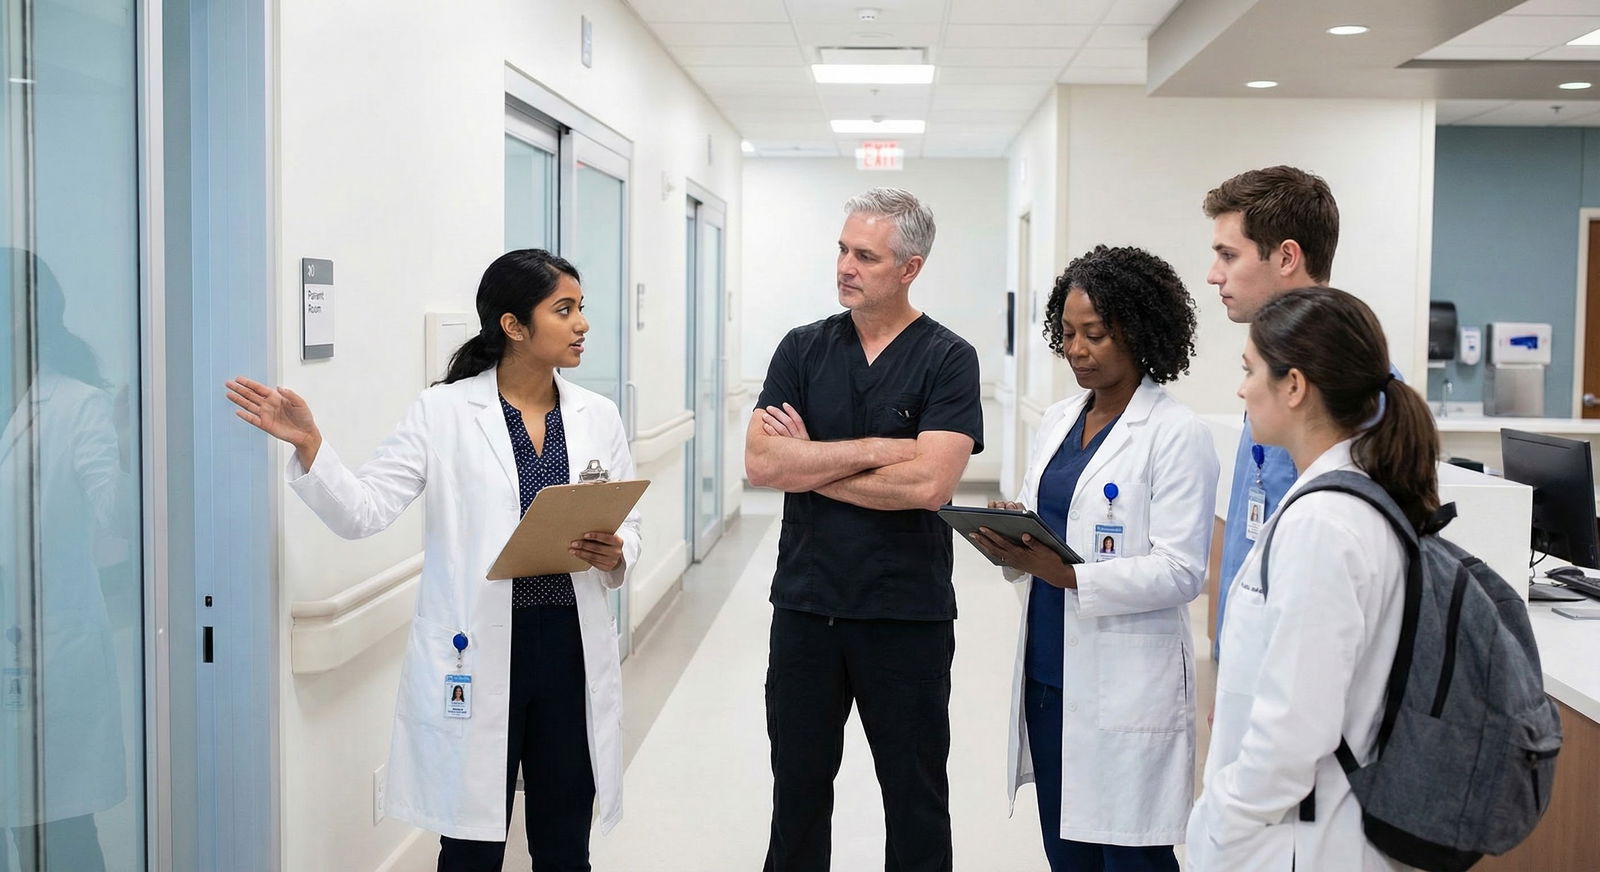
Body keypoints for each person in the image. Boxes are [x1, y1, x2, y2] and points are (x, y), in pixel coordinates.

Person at [225, 249, 639, 872]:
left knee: (563, 839)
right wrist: (313, 446)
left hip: (569, 647)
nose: (582, 324)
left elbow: (626, 521)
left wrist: (617, 549)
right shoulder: (442, 412)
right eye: (565, 309)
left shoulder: (596, 416)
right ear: (513, 325)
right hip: (478, 648)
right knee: (470, 845)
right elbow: (361, 511)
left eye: (582, 309)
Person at [746, 187, 983, 872]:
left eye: (866, 256)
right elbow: (762, 463)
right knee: (796, 795)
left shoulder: (947, 358)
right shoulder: (803, 348)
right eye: (843, 250)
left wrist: (811, 459)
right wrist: (881, 446)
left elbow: (929, 485)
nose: (846, 266)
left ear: (909, 268)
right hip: (806, 607)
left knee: (914, 801)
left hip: (905, 615)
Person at [968, 245, 1218, 872]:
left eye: (1095, 334)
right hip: (1050, 673)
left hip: (1128, 680)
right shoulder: (1057, 420)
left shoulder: (1174, 432)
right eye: (1068, 333)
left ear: (1138, 332)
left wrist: (1073, 575)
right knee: (1067, 851)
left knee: (1132, 858)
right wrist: (1008, 538)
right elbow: (1038, 513)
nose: (1076, 349)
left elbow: (1184, 569)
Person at [1186, 287, 1437, 870]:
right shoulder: (1335, 500)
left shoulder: (1326, 524)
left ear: (1294, 386)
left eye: (1250, 371)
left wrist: (1223, 817)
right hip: (1303, 824)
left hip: (1300, 838)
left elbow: (1294, 732)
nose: (1241, 388)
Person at [1203, 166, 1340, 659]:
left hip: (1296, 666)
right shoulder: (1270, 363)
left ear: (1286, 257)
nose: (1214, 274)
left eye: (1228, 255)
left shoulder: (1347, 377)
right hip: (1250, 649)